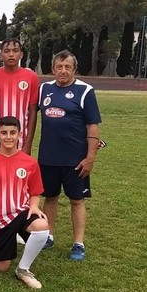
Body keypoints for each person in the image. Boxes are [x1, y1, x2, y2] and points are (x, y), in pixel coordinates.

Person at [0, 116, 50, 289]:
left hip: (20, 212)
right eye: (4, 133)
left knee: (42, 226)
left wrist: (34, 205)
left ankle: (23, 269)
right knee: (1, 268)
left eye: (13, 133)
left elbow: (35, 192)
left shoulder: (29, 162)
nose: (8, 137)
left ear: (19, 134)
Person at [38, 50, 101, 261]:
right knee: (50, 197)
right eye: (59, 66)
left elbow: (92, 126)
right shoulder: (44, 89)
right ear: (53, 68)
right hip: (48, 157)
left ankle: (78, 243)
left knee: (77, 200)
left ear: (74, 69)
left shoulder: (85, 91)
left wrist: (90, 157)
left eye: (67, 67)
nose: (63, 71)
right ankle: (48, 235)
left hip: (75, 160)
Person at [0, 38, 39, 155]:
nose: (11, 54)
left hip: (20, 142)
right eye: (6, 51)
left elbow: (33, 112)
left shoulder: (31, 77)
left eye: (15, 51)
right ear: (1, 55)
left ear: (21, 54)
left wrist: (28, 144)